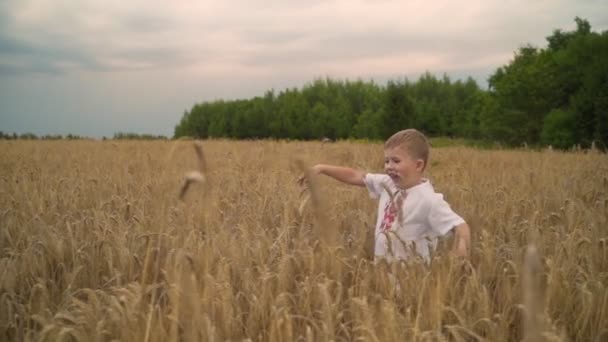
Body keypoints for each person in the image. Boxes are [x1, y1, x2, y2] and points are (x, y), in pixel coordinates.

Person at [298, 129, 470, 263]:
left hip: (411, 281)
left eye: (396, 161)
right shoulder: (388, 184)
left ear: (418, 165)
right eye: (387, 161)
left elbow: (461, 227)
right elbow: (357, 176)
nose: (389, 166)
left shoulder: (429, 200)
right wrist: (321, 168)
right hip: (383, 274)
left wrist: (461, 246)